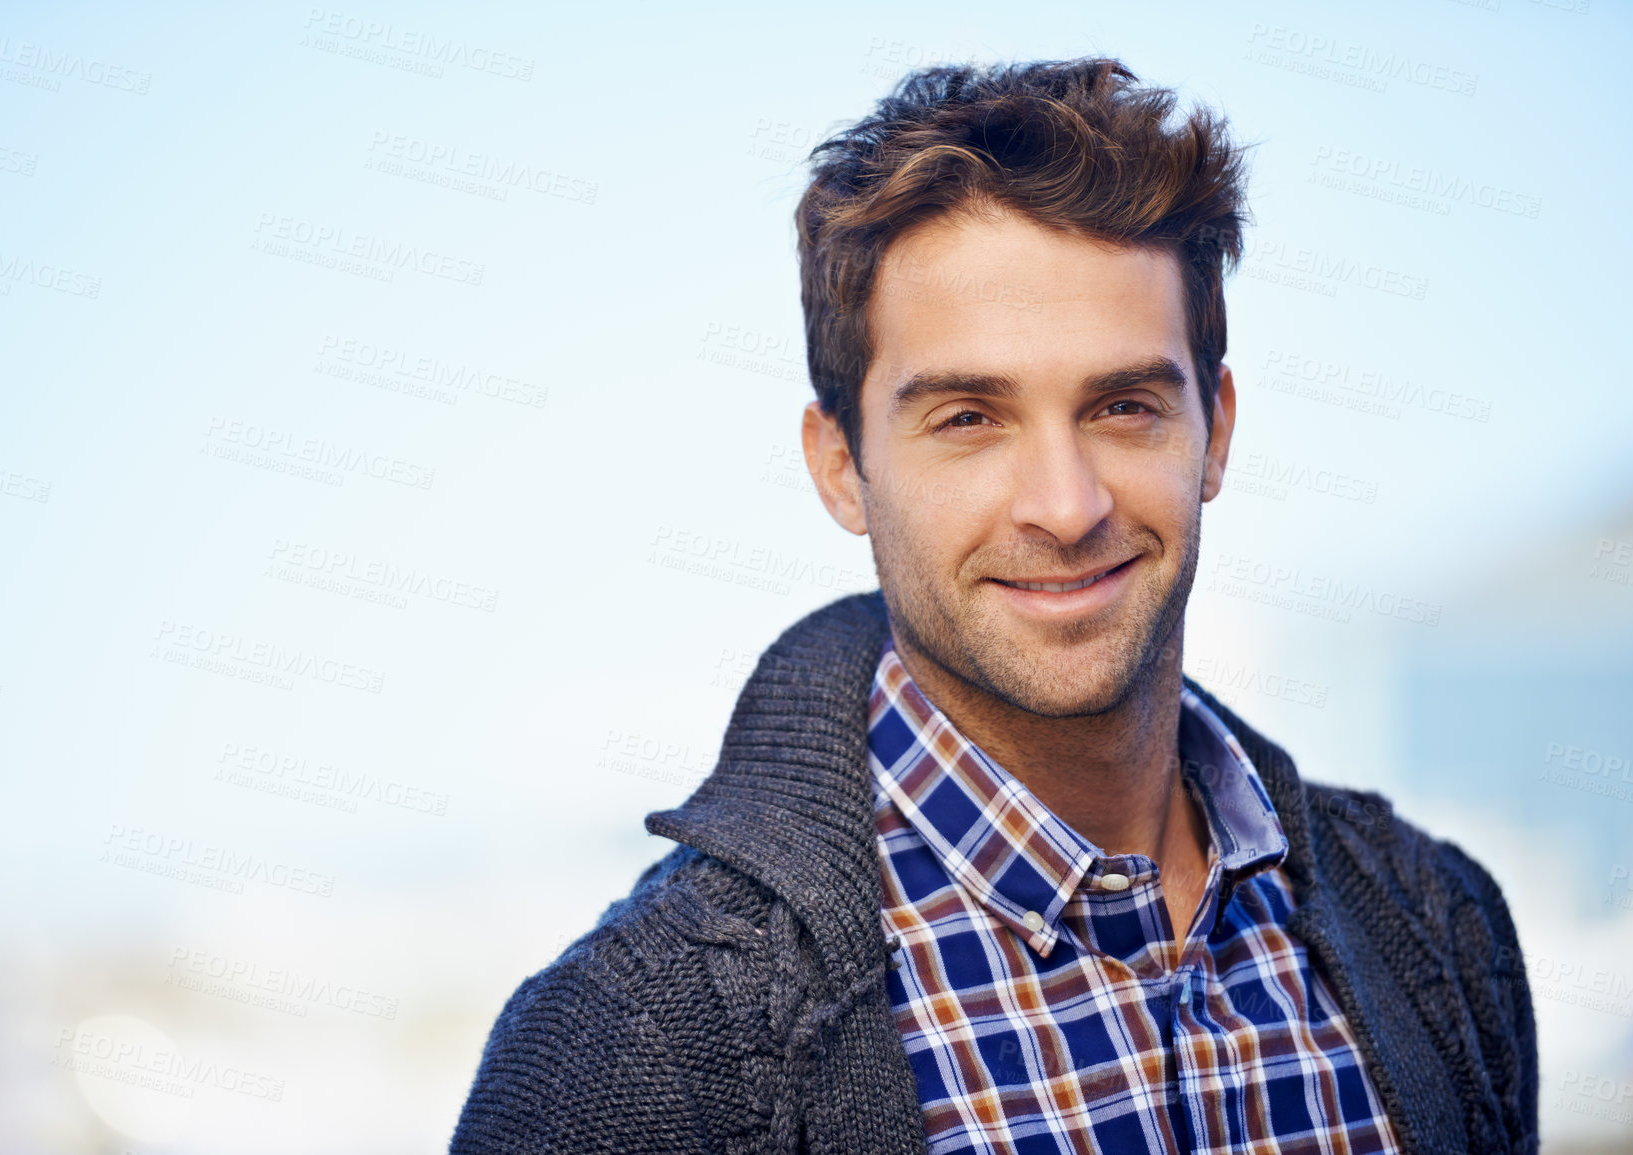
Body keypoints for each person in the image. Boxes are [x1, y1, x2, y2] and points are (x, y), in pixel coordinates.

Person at [449, 58, 1537, 1154]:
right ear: (840, 466)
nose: (1065, 508)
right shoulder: (628, 1048)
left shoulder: (1438, 925)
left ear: (1217, 427)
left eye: (1123, 406)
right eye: (969, 418)